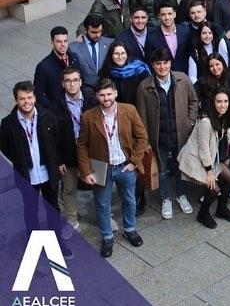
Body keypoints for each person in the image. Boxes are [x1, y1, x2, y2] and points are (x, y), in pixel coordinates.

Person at [76, 79, 148, 257]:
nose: (106, 98)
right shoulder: (88, 116)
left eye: (109, 94)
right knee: (101, 204)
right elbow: (82, 145)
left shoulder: (129, 110)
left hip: (125, 165)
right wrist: (86, 171)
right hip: (101, 167)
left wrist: (134, 161)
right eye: (102, 95)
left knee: (129, 200)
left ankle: (130, 229)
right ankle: (107, 237)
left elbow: (142, 137)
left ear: (115, 93)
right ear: (97, 96)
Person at [0, 81, 66, 251]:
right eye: (22, 98)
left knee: (53, 209)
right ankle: (35, 243)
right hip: (26, 175)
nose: (26, 102)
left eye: (29, 97)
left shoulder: (47, 117)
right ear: (16, 100)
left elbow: (56, 141)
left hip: (47, 173)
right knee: (30, 210)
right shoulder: (8, 123)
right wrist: (21, 160)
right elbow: (5, 147)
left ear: (35, 97)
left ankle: (57, 242)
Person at [135, 48, 199, 220]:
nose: (162, 67)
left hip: (180, 134)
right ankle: (165, 199)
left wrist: (190, 121)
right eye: (158, 64)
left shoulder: (182, 79)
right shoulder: (145, 86)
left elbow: (193, 101)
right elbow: (141, 116)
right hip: (159, 137)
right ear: (153, 66)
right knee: (162, 169)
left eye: (165, 63)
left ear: (170, 63)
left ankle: (181, 195)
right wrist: (146, 140)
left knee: (180, 167)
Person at [178, 90, 230, 228]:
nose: (222, 105)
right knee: (214, 189)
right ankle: (203, 214)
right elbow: (203, 149)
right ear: (213, 103)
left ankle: (221, 209)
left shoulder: (223, 117)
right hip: (198, 160)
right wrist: (210, 172)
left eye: (225, 101)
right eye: (219, 101)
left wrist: (229, 150)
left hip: (210, 158)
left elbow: (227, 131)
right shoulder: (206, 122)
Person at [53, 67, 96, 233]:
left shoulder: (91, 101)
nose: (72, 84)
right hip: (68, 154)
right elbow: (53, 138)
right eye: (68, 81)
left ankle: (105, 217)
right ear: (63, 84)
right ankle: (71, 220)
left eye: (75, 80)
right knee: (69, 189)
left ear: (81, 82)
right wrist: (59, 160)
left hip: (91, 152)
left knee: (99, 187)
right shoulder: (56, 107)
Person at [34, 25, 80, 110]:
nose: (63, 45)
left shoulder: (74, 58)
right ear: (52, 43)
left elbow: (81, 80)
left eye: (65, 41)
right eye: (59, 41)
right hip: (58, 111)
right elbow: (38, 95)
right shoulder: (43, 67)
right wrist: (53, 109)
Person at [99, 41, 151, 108]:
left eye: (123, 53)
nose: (120, 57)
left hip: (138, 110)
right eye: (116, 54)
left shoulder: (139, 69)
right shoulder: (105, 72)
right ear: (111, 55)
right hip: (115, 111)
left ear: (127, 54)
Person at [145, 2, 192, 74]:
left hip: (185, 75)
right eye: (163, 15)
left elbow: (191, 55)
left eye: (169, 14)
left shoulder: (185, 31)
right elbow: (149, 61)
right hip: (164, 76)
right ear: (159, 16)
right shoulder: (151, 37)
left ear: (174, 14)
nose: (167, 18)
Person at [70, 15, 111, 89]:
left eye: (100, 31)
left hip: (107, 91)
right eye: (94, 32)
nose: (98, 35)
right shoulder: (73, 48)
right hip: (86, 92)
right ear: (85, 30)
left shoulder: (110, 43)